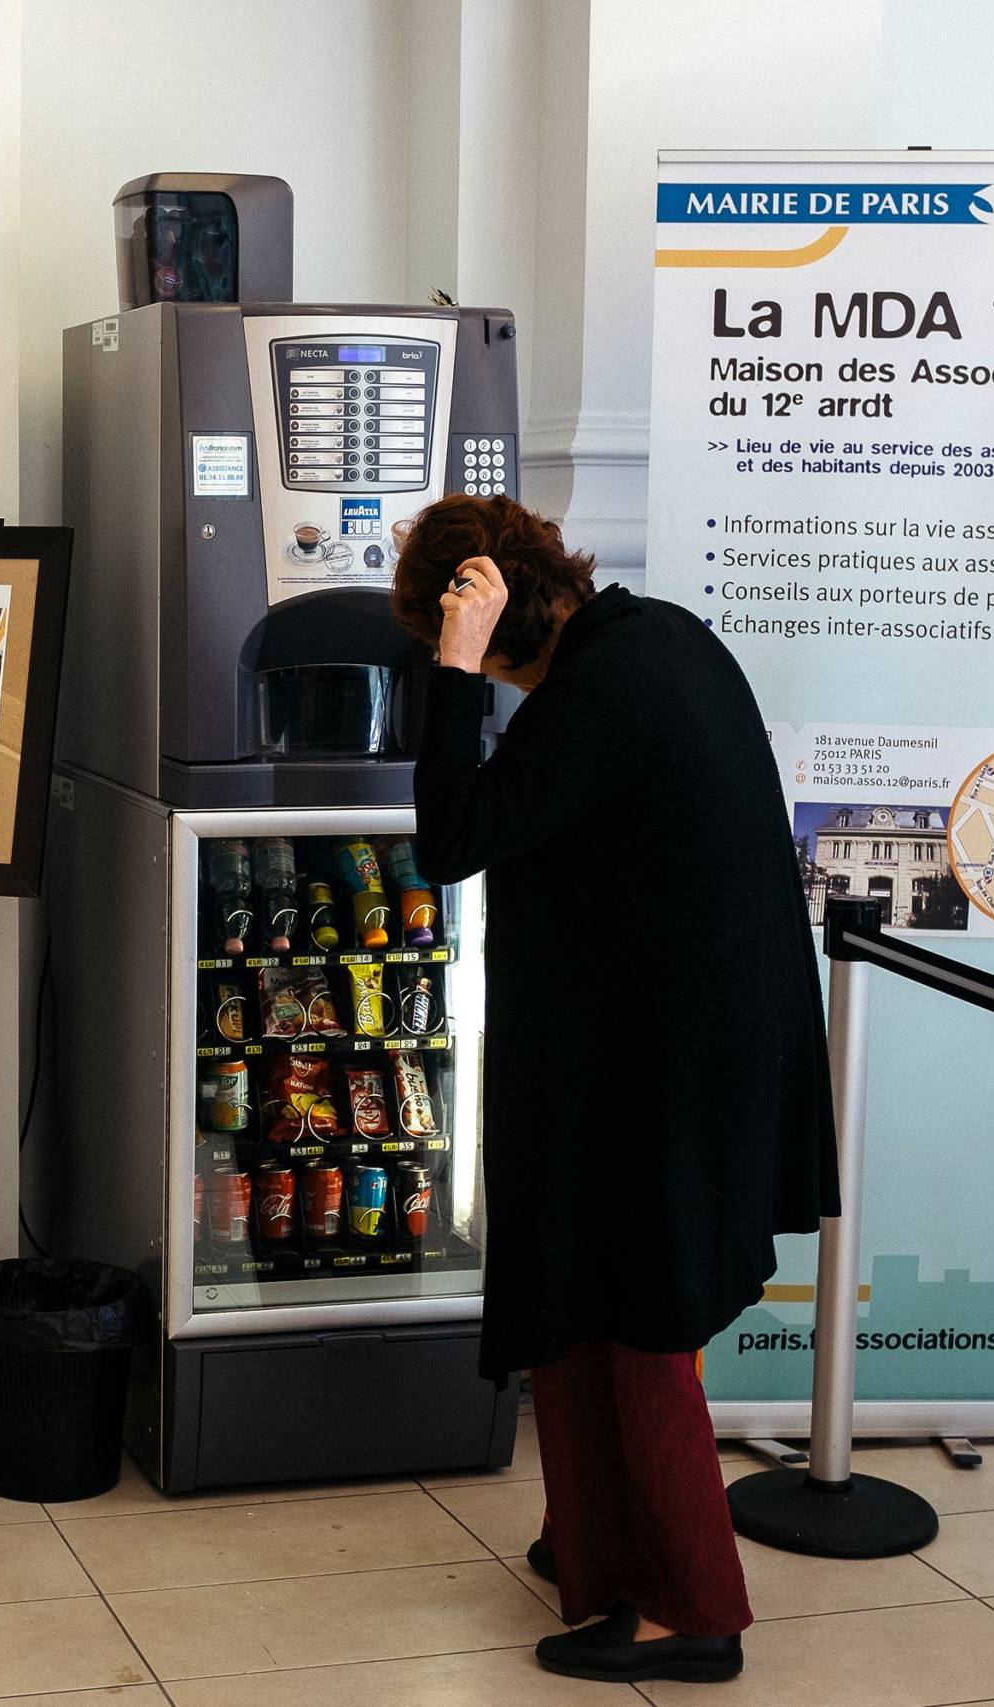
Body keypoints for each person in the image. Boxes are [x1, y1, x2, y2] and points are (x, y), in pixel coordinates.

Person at [392, 494, 838, 1686]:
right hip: (662, 1049)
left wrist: (451, 671)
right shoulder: (662, 638)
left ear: (497, 616)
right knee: (587, 1290)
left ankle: (693, 1608)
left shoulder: (599, 688)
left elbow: (450, 838)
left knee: (637, 1318)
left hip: (657, 1067)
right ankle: (597, 1539)